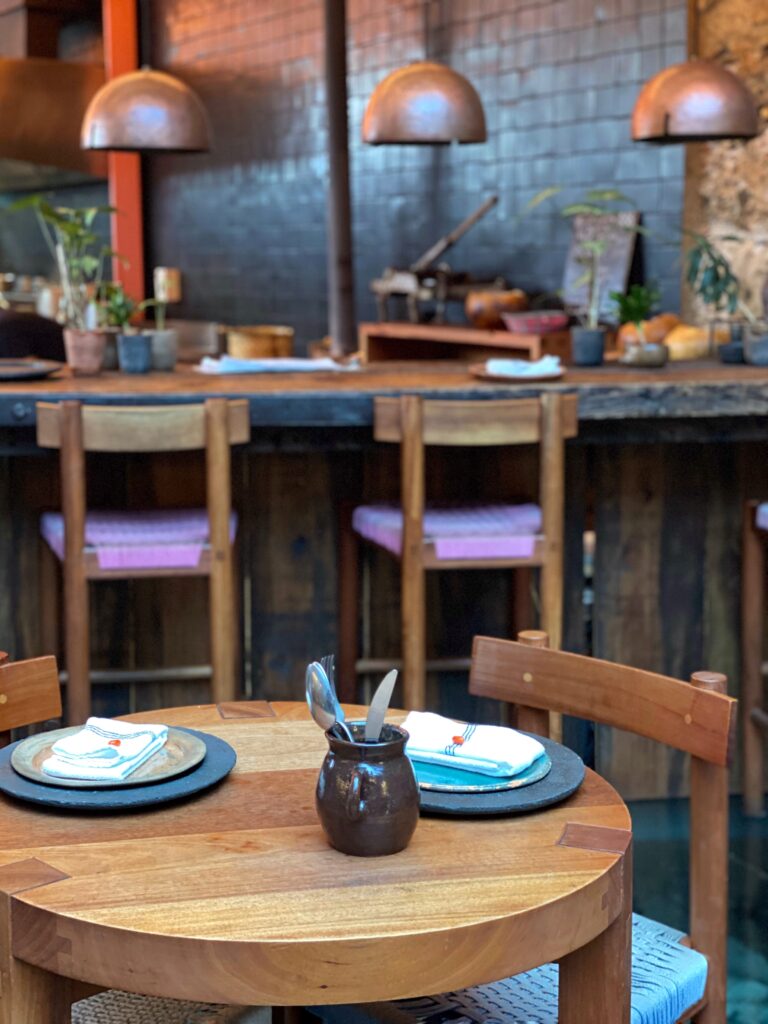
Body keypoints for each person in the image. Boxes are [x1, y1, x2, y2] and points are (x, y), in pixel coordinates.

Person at [0, 309, 65, 361]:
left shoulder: (5, 328)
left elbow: (22, 366)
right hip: (62, 360)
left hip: (66, 363)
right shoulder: (6, 319)